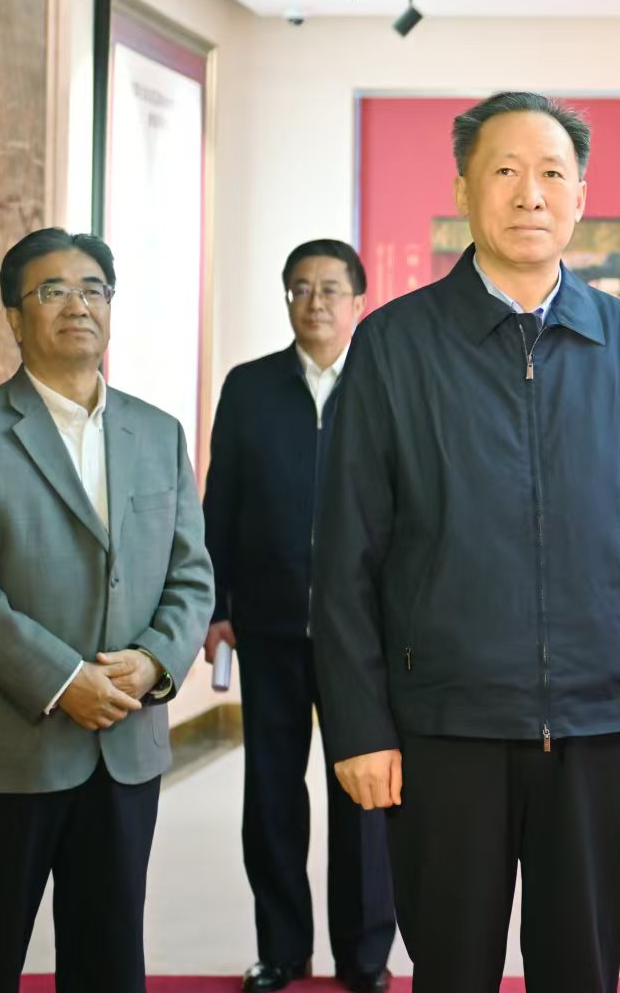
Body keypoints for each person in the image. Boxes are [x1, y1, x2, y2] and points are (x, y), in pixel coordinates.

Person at [311, 92, 620, 992]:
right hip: (444, 724)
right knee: (452, 969)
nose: (532, 193)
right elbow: (345, 559)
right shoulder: (394, 345)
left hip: (599, 723)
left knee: (581, 969)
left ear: (581, 196)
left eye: (553, 173)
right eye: (506, 171)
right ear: (463, 188)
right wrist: (359, 727)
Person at [0, 228, 214, 993]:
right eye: (52, 290)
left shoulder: (158, 431)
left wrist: (154, 660)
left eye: (92, 288)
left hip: (124, 749)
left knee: (109, 963)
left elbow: (191, 573)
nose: (77, 304)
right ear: (15, 317)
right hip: (1, 754)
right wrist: (63, 679)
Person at [202, 239, 395, 993]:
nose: (315, 302)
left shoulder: (385, 384)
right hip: (269, 626)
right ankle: (282, 948)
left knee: (365, 793)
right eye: (300, 289)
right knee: (272, 794)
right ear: (286, 299)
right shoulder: (250, 388)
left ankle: (364, 954)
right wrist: (216, 606)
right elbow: (220, 502)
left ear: (359, 302)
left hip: (364, 636)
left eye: (330, 288)